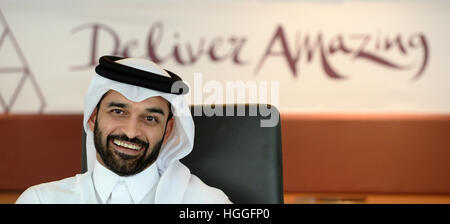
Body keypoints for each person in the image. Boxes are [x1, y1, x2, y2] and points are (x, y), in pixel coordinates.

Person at [16, 56, 231, 204]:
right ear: (93, 118)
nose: (131, 132)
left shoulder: (205, 203)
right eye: (118, 111)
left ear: (167, 131)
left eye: (150, 118)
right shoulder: (41, 200)